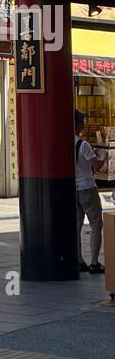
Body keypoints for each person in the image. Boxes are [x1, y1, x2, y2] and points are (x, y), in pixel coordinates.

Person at [75, 110, 105, 274]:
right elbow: (97, 166)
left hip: (73, 189)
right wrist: (103, 156)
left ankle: (79, 259)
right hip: (87, 187)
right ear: (79, 124)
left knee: (77, 226)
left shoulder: (65, 143)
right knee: (96, 223)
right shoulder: (83, 145)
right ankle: (94, 261)